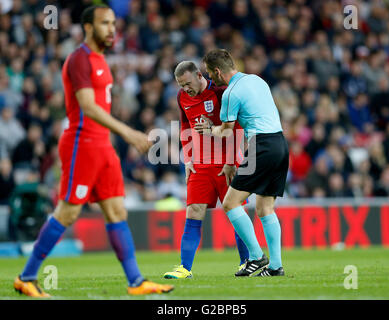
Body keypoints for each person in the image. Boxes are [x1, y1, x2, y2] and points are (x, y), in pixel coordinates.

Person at [13, 5, 173, 297]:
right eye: (104, 23)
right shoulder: (79, 59)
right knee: (68, 212)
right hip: (82, 144)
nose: (112, 29)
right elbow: (87, 106)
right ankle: (27, 276)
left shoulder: (100, 59)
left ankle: (136, 281)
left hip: (102, 146)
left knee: (117, 211)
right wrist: (128, 132)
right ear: (88, 27)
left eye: (114, 23)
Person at [195, 49, 289, 277]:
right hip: (280, 144)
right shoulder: (257, 79)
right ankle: (276, 266)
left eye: (209, 73)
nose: (209, 78)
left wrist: (209, 129)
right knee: (265, 208)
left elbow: (227, 132)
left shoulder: (230, 93)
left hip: (262, 147)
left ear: (218, 71)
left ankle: (256, 257)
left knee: (230, 203)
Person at [163, 61, 249, 279]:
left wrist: (232, 161)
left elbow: (236, 127)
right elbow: (184, 126)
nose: (185, 89)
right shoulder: (182, 98)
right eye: (181, 85)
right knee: (193, 212)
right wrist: (188, 158)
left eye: (188, 83)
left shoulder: (221, 92)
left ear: (199, 75)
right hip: (200, 165)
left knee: (236, 214)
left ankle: (247, 262)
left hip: (226, 164)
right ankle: (185, 268)